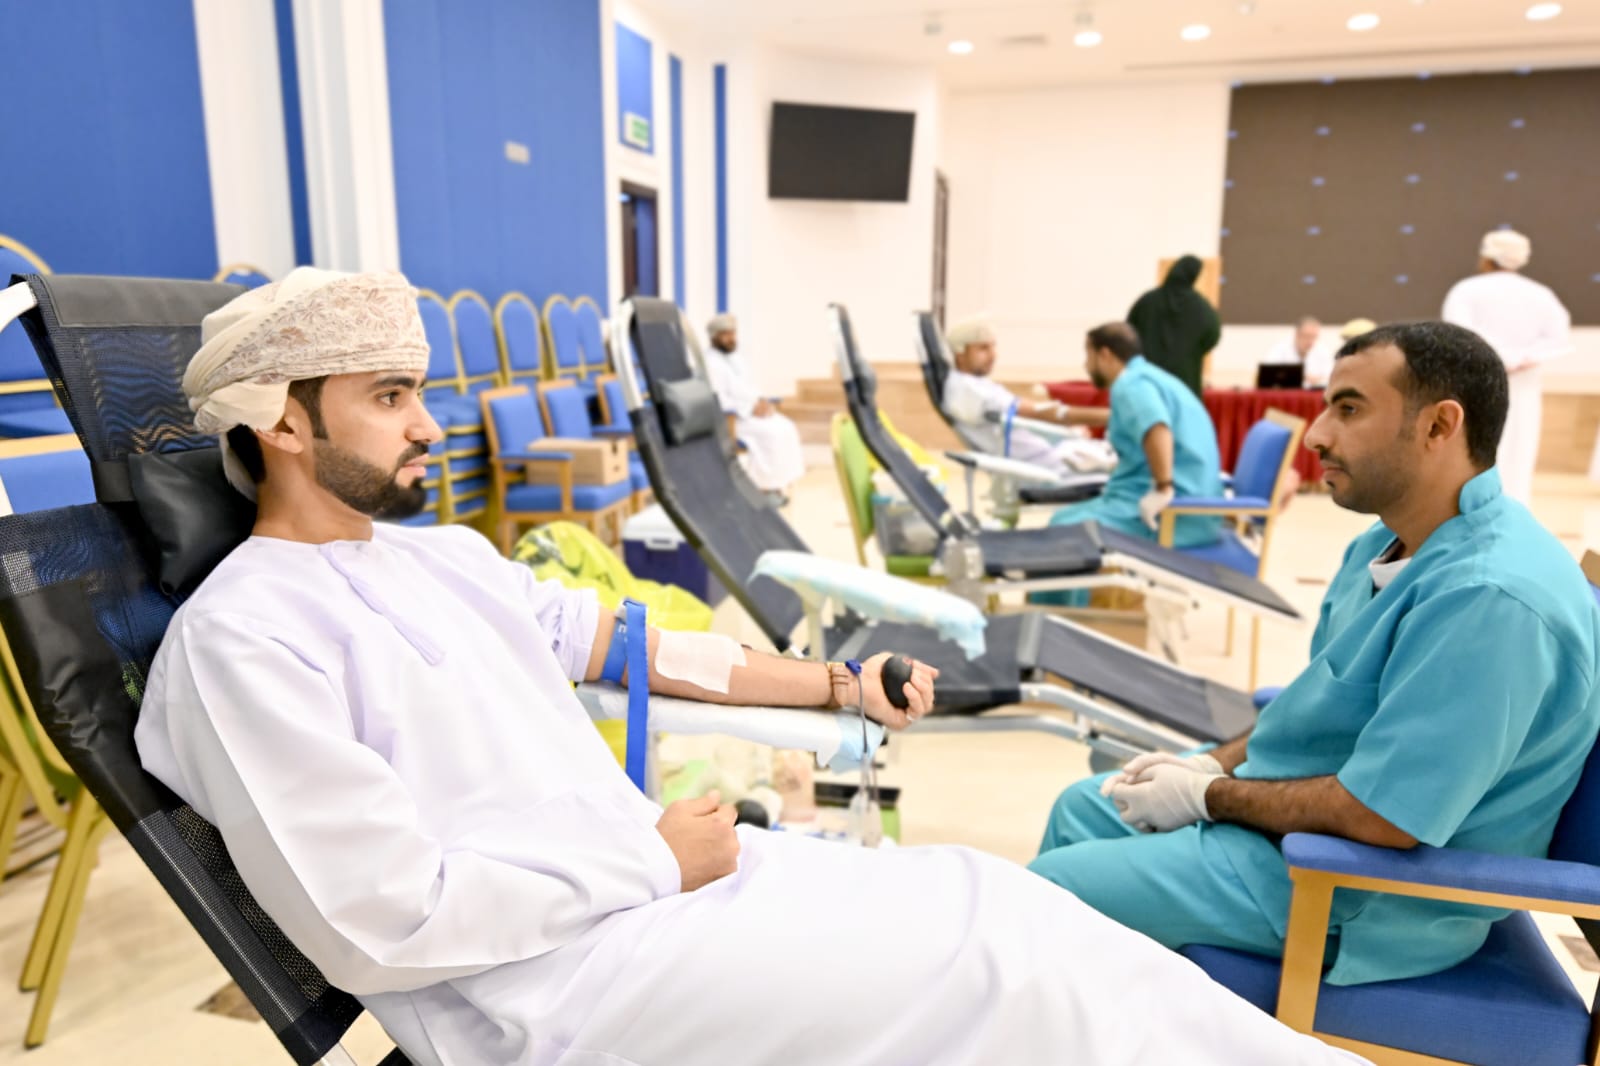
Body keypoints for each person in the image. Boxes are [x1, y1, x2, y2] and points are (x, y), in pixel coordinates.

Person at [134, 269, 1365, 1066]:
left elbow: (642, 648)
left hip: (665, 895)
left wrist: (835, 684)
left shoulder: (445, 557)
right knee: (1001, 972)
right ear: (280, 420)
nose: (426, 424)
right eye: (390, 396)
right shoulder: (244, 641)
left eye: (419, 391)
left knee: (1005, 903)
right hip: (553, 990)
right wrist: (651, 859)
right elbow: (382, 922)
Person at [1030, 321, 1600, 989]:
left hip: (1362, 889)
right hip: (1302, 833)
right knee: (1080, 807)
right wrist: (1209, 762)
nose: (1317, 435)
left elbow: (1384, 817)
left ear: (1439, 426)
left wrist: (1208, 796)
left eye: (1349, 409)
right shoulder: (1385, 545)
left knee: (1047, 894)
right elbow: (1311, 711)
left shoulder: (1490, 600)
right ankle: (1097, 1012)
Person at [1045, 322, 1224, 548]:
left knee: (1063, 531)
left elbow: (1157, 429)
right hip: (1194, 508)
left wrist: (1162, 488)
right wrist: (1107, 465)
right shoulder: (1151, 377)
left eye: (1088, 356)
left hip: (1172, 515)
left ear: (1104, 355)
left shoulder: (1130, 385)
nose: (1086, 365)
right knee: (1062, 519)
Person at [1443, 229, 1572, 506]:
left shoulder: (1466, 290)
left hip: (1478, 379)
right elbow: (1558, 338)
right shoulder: (1541, 294)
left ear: (1486, 257)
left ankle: (1472, 507)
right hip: (1524, 381)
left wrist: (1500, 356)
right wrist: (1521, 357)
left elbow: (1459, 334)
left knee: (1476, 445)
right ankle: (1512, 510)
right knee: (1519, 448)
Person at [941, 316, 1109, 474]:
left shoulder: (977, 384)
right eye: (983, 348)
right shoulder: (968, 391)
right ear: (959, 353)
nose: (993, 355)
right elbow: (1042, 412)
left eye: (993, 347)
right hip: (1047, 466)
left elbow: (1031, 410)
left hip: (1049, 455)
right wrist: (1109, 416)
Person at [703, 312, 806, 499]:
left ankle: (779, 484)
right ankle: (764, 489)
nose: (731, 338)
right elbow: (717, 399)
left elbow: (750, 387)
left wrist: (761, 401)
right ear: (714, 337)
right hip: (733, 420)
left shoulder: (736, 358)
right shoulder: (710, 363)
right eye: (726, 334)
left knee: (787, 428)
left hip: (752, 414)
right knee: (772, 435)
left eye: (733, 333)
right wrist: (750, 408)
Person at [1126, 254, 1221, 397]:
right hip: (1185, 378)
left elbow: (1128, 332)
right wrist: (1193, 351)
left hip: (1148, 377)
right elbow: (1213, 335)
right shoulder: (1201, 307)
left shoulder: (1147, 301)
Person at [1263, 315, 1335, 388]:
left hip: (1314, 393)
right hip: (1286, 392)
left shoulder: (1323, 351)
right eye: (1307, 336)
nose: (1310, 341)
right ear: (1297, 334)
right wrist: (1301, 377)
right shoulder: (1279, 350)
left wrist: (1317, 380)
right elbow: (1268, 375)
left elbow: (1331, 378)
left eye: (1314, 337)